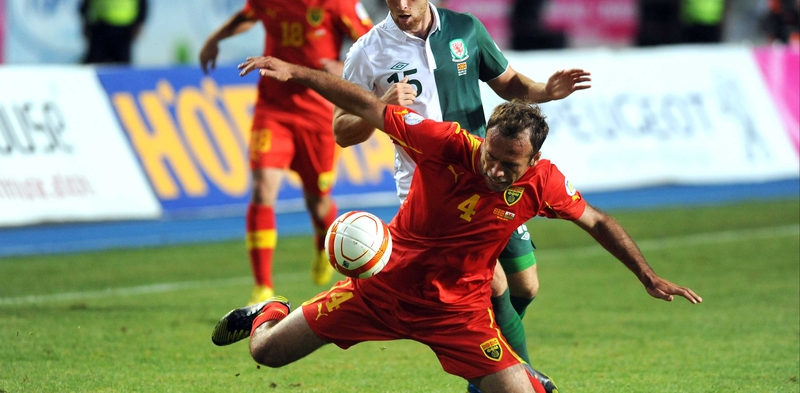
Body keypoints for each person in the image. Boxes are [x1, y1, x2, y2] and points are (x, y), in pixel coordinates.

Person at [212, 55, 702, 393]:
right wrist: (296, 72)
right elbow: (366, 106)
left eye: (511, 165)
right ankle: (268, 309)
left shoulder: (543, 184)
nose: (495, 169)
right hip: (381, 288)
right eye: (492, 154)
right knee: (267, 353)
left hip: (459, 316)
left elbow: (597, 221)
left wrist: (647, 275)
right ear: (484, 138)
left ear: (533, 160)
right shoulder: (446, 143)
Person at [331, 0, 590, 388]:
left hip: (489, 174)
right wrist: (379, 107)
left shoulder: (465, 30)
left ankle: (483, 372)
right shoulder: (367, 52)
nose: (400, 5)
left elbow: (509, 85)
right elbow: (341, 129)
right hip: (429, 188)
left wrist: (545, 90)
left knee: (525, 286)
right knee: (488, 284)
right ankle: (521, 378)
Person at [198, 0, 373, 305]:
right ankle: (262, 287)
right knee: (263, 188)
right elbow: (249, 14)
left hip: (318, 112)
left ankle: (322, 243)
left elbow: (370, 43)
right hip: (273, 109)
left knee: (318, 201)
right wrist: (216, 38)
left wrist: (343, 69)